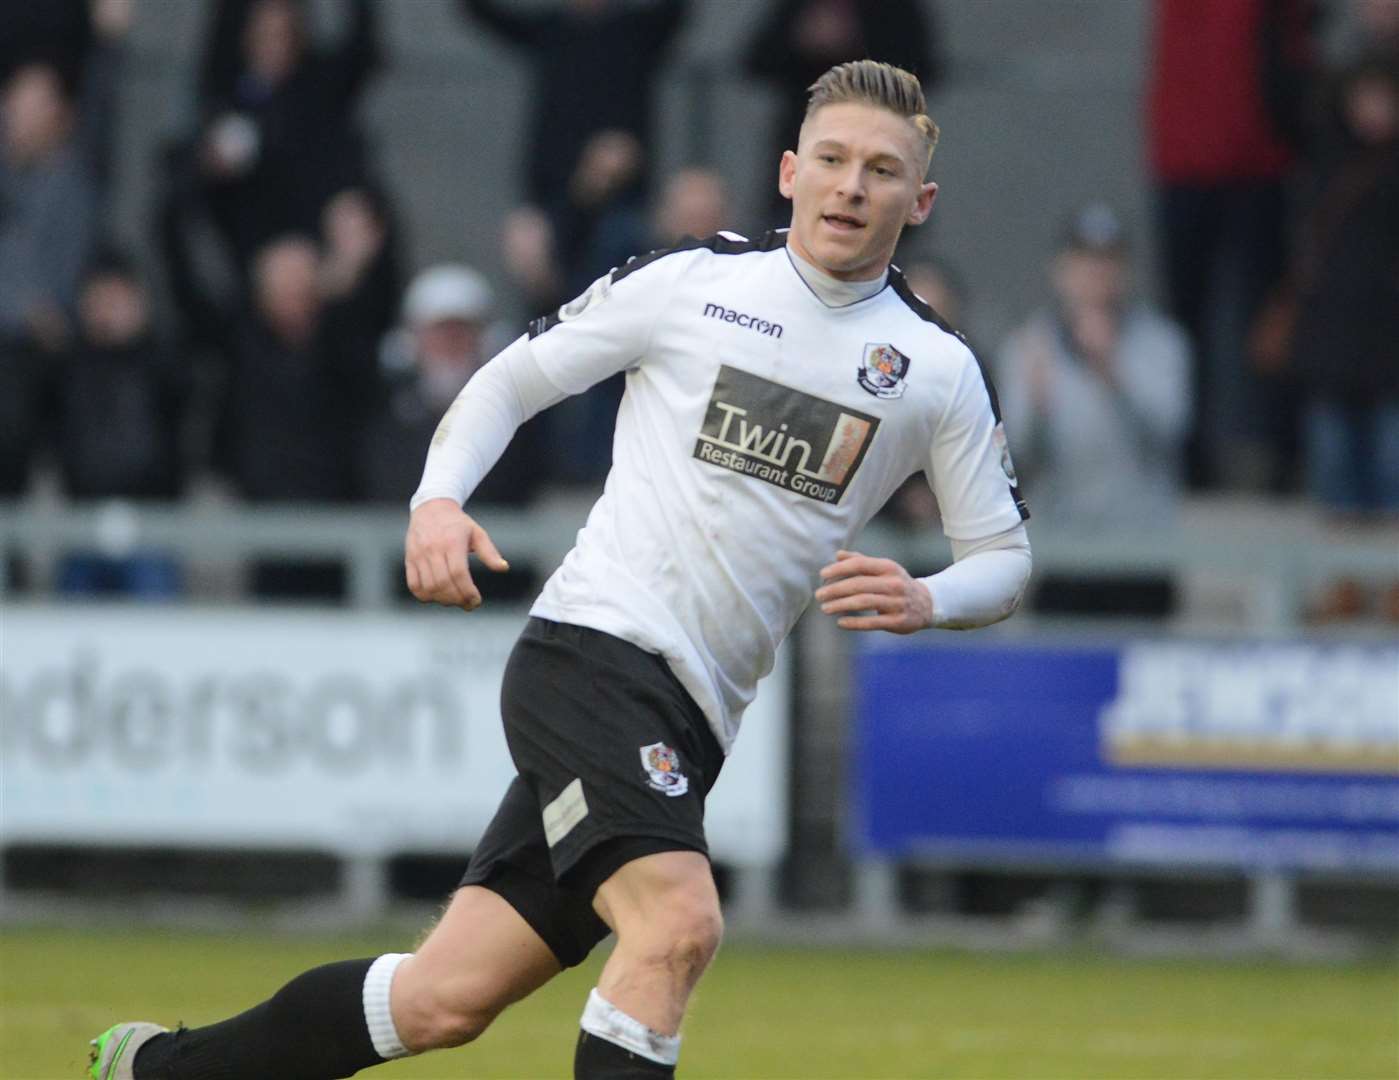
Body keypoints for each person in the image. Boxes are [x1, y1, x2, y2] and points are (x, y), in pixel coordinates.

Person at [90, 60, 1033, 1080]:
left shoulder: (932, 371)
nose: (852, 187)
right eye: (835, 161)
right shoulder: (691, 286)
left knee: (440, 1000)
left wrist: (925, 597)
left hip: (694, 717)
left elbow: (1003, 558)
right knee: (676, 926)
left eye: (882, 171)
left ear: (920, 201)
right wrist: (437, 501)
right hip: (591, 655)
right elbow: (509, 381)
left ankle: (158, 1071)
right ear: (789, 170)